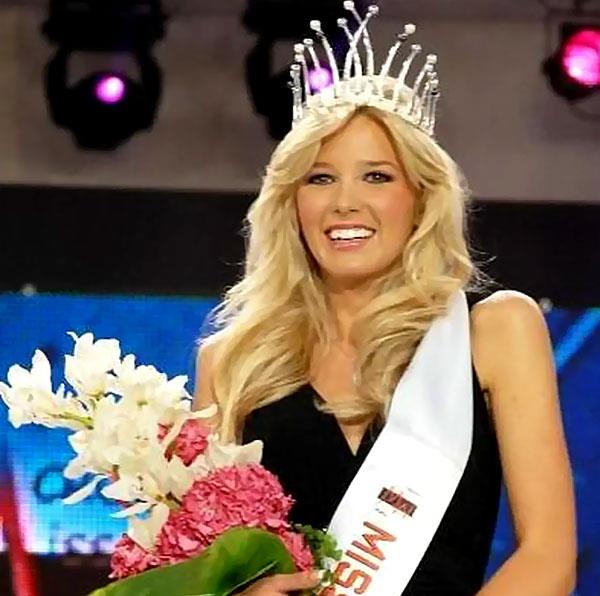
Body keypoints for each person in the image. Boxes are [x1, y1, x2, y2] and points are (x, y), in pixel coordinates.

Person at [193, 3, 577, 594]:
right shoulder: (233, 360)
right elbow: (196, 562)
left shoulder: (493, 329)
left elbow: (549, 559)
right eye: (320, 178)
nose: (345, 202)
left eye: (376, 176)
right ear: (291, 203)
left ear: (421, 198)